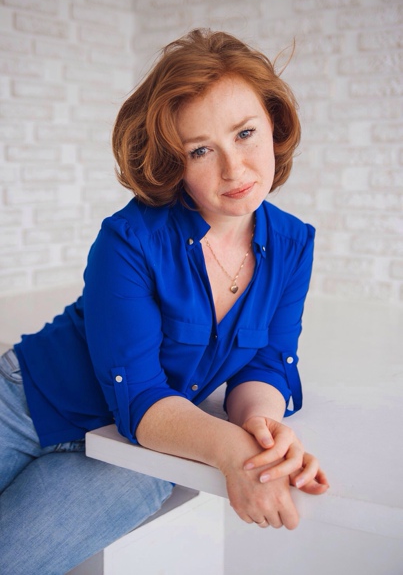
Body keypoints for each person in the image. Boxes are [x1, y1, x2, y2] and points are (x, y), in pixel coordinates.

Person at [0, 28, 329, 574]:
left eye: (245, 133)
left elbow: (268, 361)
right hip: (24, 405)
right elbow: (140, 394)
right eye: (201, 150)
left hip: (136, 451)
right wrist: (232, 451)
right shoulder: (129, 240)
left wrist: (262, 436)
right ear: (174, 162)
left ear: (274, 124)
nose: (234, 169)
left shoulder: (295, 244)